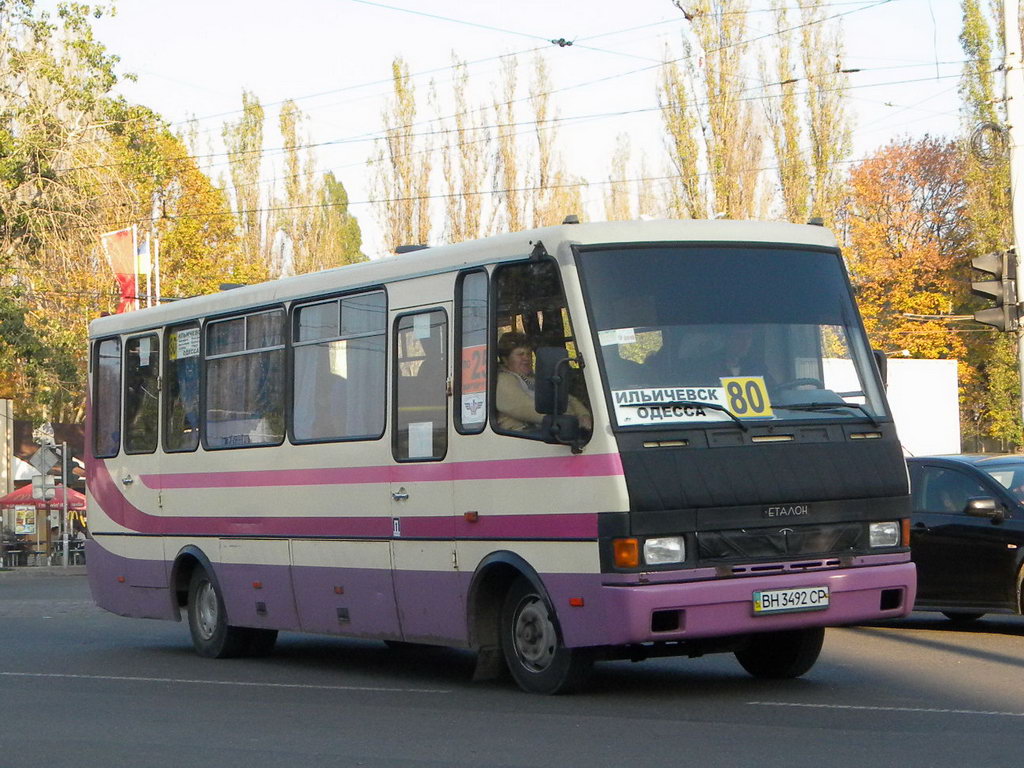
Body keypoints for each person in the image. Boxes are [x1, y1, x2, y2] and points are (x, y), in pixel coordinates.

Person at [495, 332, 592, 433]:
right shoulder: (503, 380)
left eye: (528, 354)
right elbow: (527, 409)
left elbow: (568, 399)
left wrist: (583, 416)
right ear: (505, 359)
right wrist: (568, 417)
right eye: (520, 354)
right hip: (524, 437)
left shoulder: (534, 378)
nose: (526, 358)